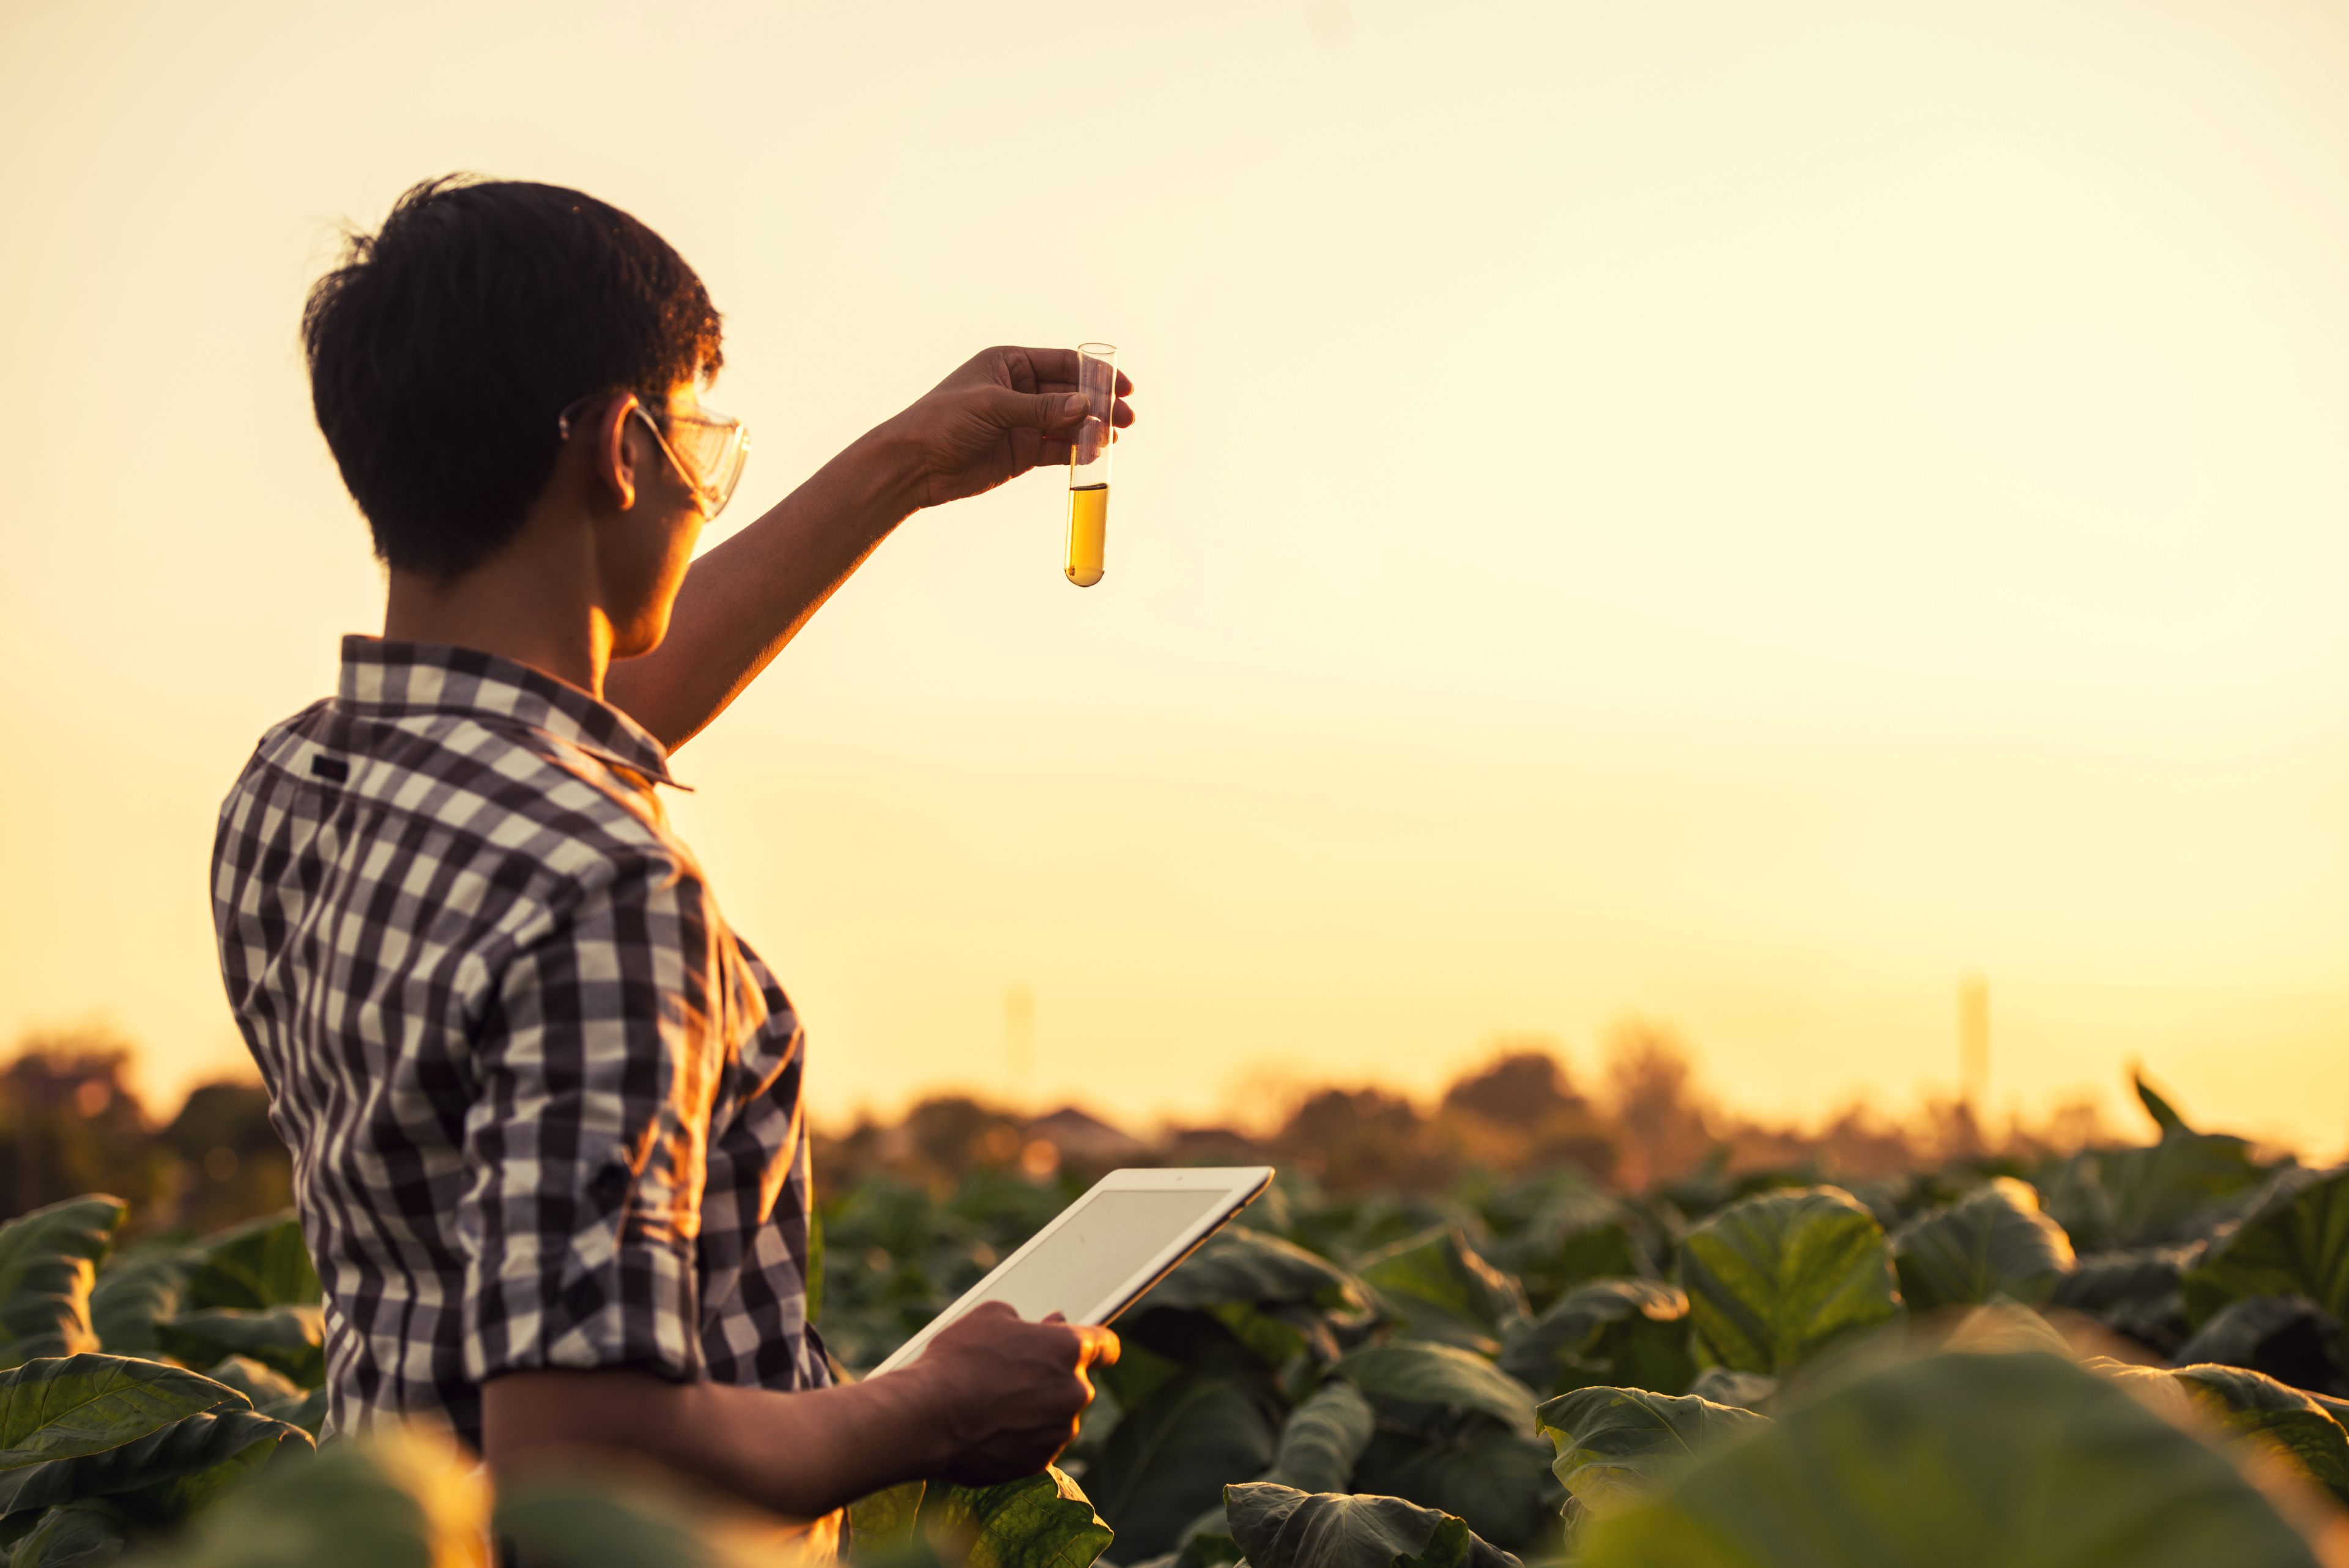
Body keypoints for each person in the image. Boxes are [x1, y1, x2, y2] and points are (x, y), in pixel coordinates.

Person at [209, 176, 1132, 1526]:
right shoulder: (601, 888)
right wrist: (933, 1405)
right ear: (624, 449)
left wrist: (910, 464)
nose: (708, 481)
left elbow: (557, 723)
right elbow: (585, 1454)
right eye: (702, 435)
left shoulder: (299, 781)